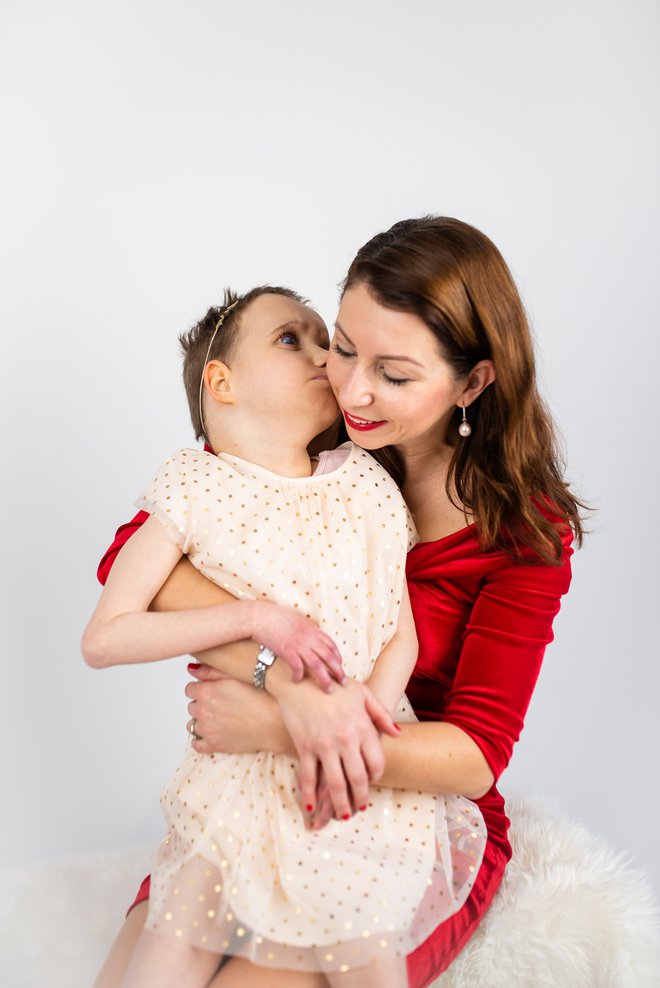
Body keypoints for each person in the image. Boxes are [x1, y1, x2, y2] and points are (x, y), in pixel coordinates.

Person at [94, 216, 583, 988]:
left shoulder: (522, 533)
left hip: (402, 809)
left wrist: (289, 725)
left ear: (472, 382)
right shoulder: (315, 445)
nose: (350, 387)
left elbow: (475, 757)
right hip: (255, 795)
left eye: (394, 373)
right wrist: (283, 682)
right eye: (344, 347)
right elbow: (135, 560)